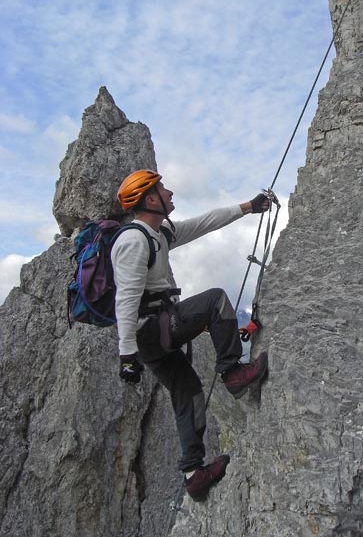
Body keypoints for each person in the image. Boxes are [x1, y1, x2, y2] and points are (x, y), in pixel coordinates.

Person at [111, 169, 269, 501]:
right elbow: (125, 299)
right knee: (215, 300)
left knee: (188, 392)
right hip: (153, 330)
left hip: (151, 335)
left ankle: (193, 472)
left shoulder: (159, 233)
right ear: (150, 199)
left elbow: (203, 222)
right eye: (163, 189)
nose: (170, 193)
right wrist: (126, 355)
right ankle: (232, 372)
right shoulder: (132, 241)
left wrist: (248, 207)